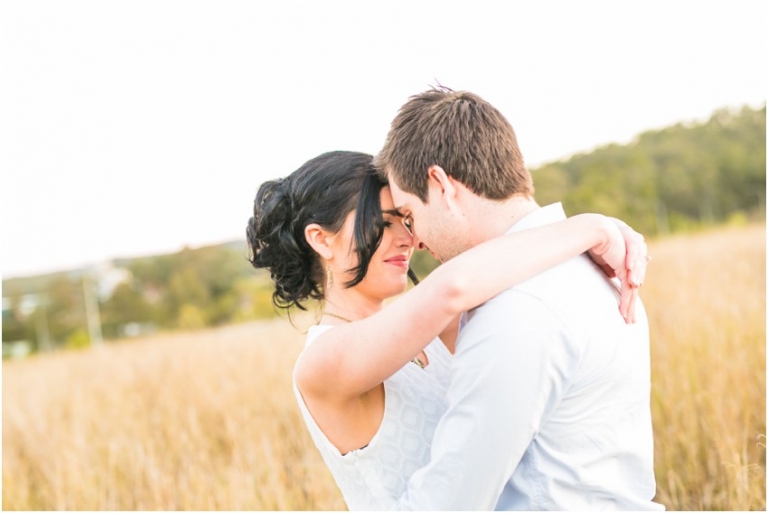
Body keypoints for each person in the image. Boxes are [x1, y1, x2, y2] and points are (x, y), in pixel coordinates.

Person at [246, 150, 649, 510]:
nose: (408, 238)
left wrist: (613, 232)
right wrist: (591, 228)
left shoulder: (432, 329)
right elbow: (456, 284)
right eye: (385, 224)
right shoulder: (321, 362)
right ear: (321, 239)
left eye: (406, 219)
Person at [375, 87, 663, 510]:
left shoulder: (516, 308)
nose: (414, 240)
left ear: (440, 184)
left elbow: (449, 501)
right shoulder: (596, 268)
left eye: (410, 214)